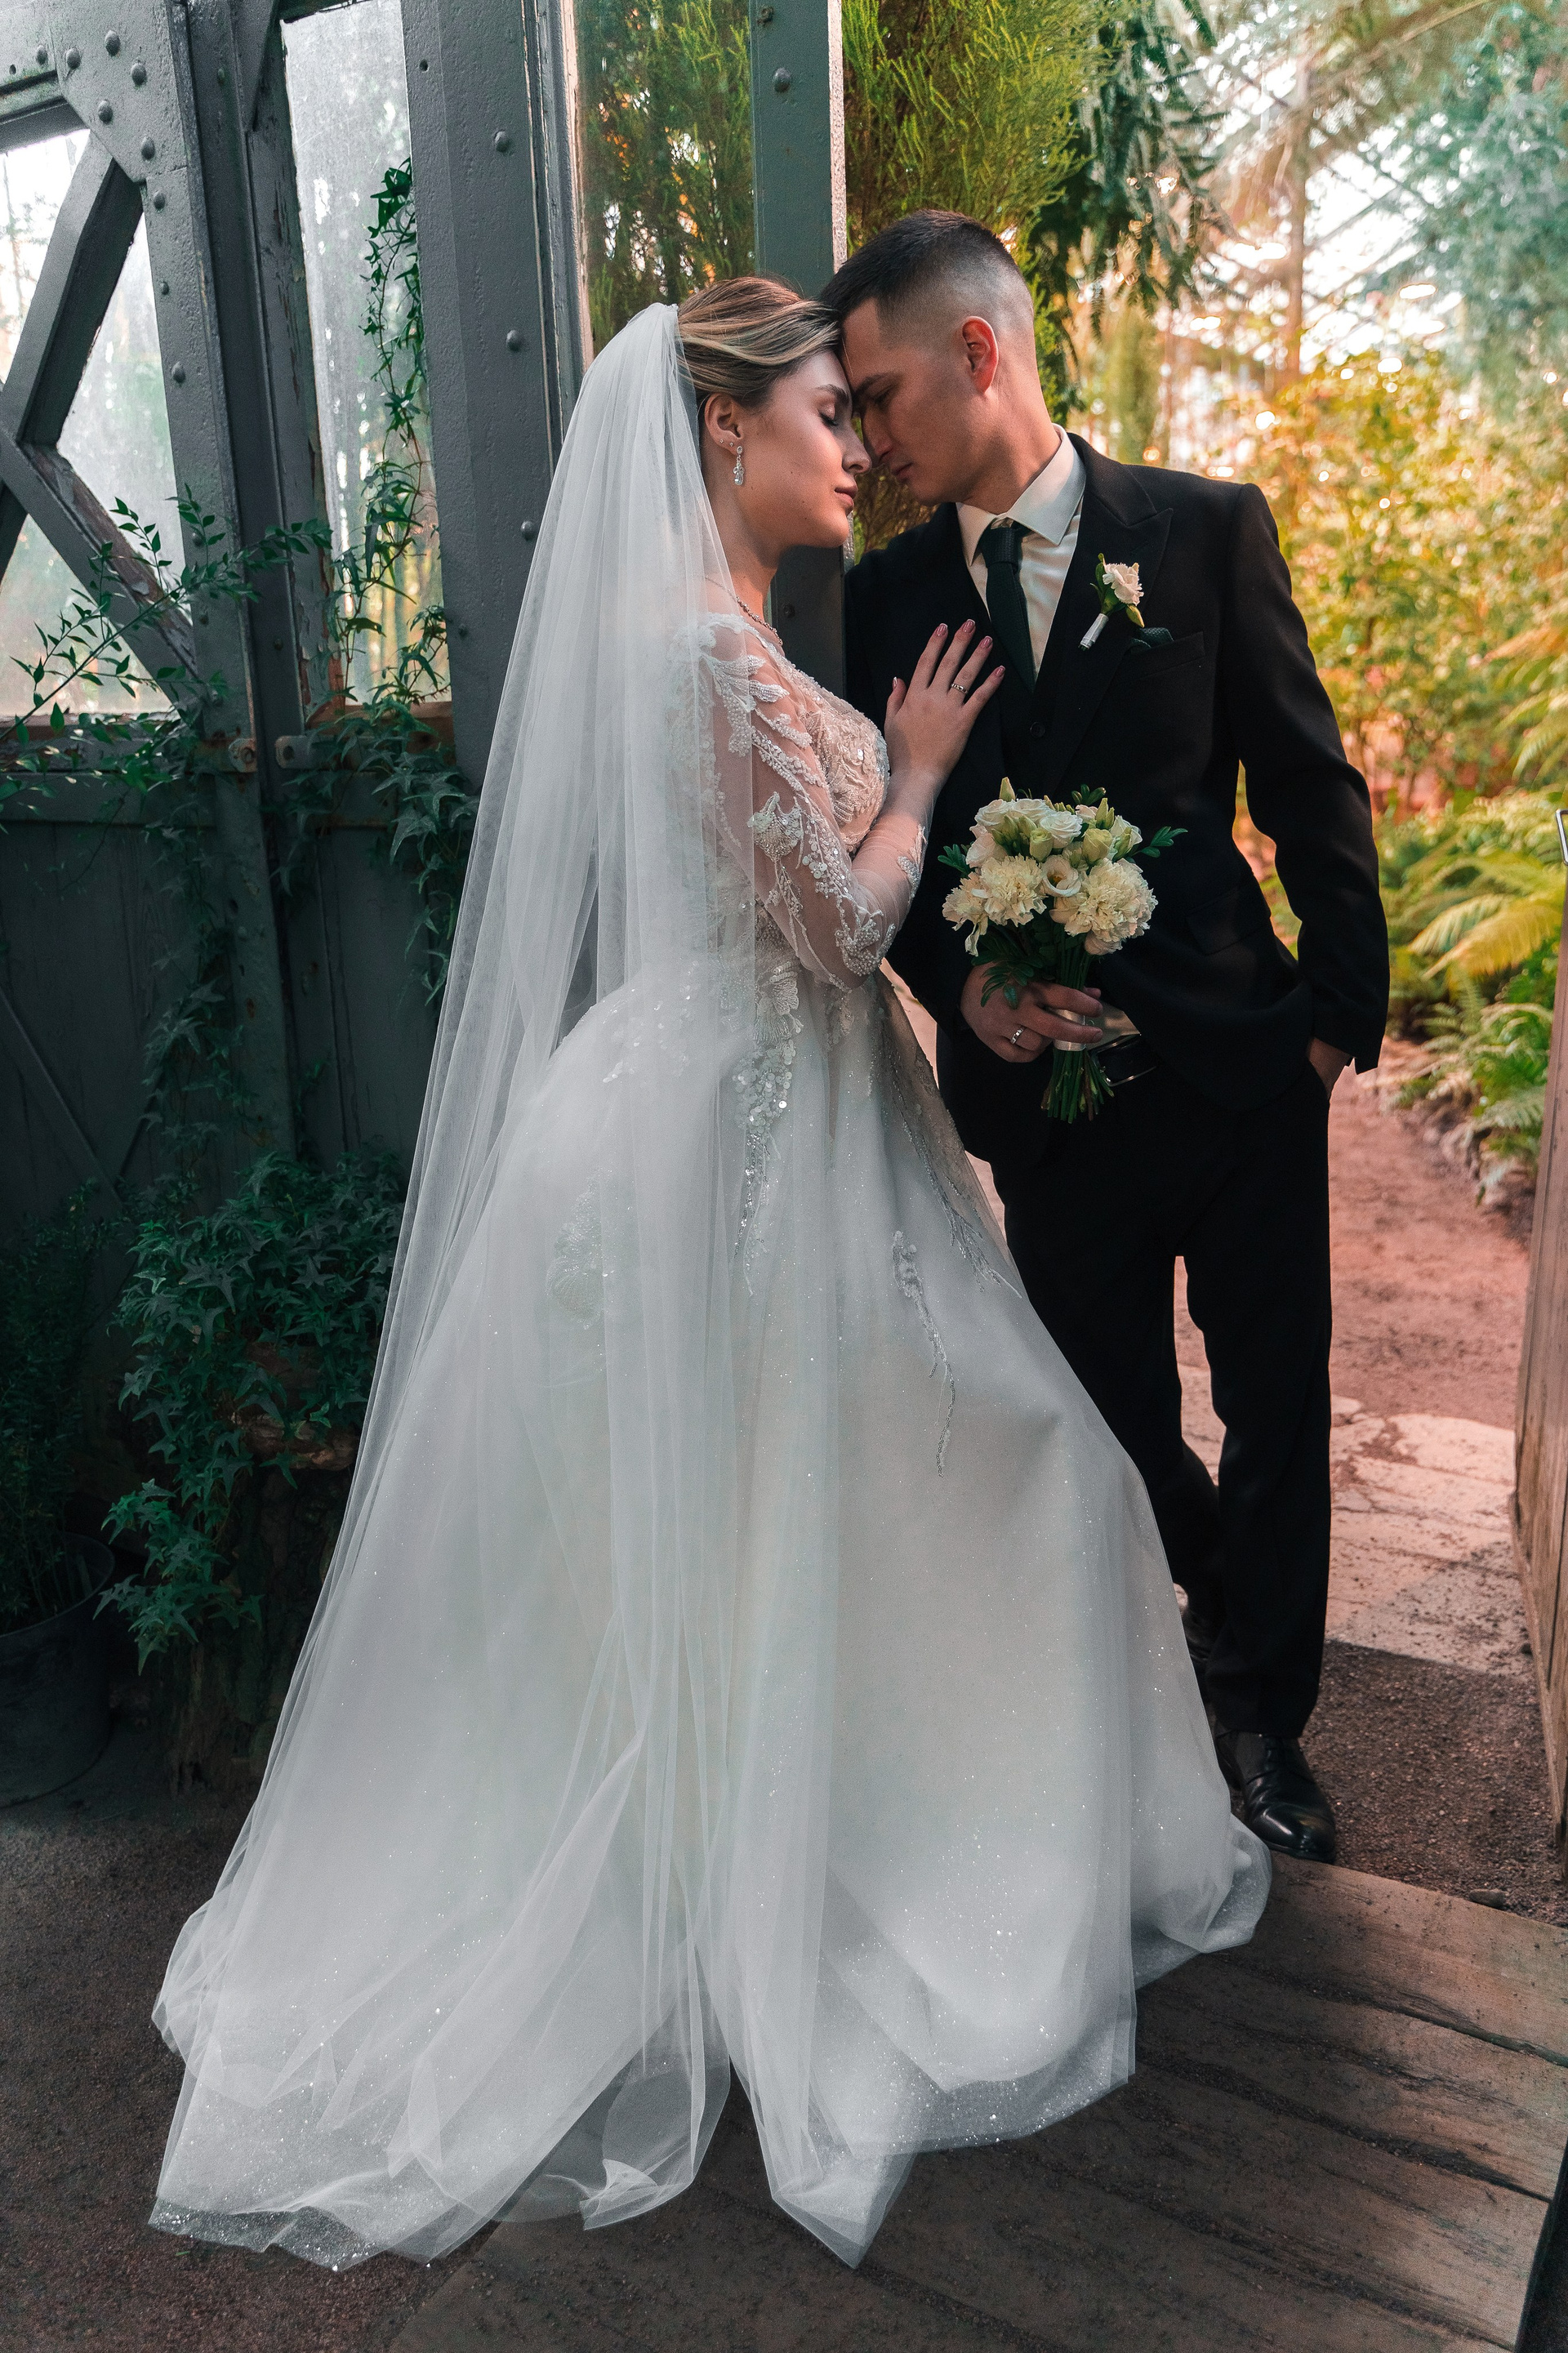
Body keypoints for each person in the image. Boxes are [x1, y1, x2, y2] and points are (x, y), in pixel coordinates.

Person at [148, 281, 1267, 2276]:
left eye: (858, 411)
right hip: (744, 1138)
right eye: (827, 413)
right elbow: (838, 929)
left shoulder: (725, 640)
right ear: (725, 429)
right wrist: (916, 774)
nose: (855, 451)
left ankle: (833, 1836)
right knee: (936, 1484)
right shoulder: (704, 656)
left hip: (764, 1119)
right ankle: (805, 1886)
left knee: (834, 1511)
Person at [829, 212, 1390, 1864]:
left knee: (1276, 1404)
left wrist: (1334, 1027)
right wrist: (964, 989)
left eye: (881, 394)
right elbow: (881, 840)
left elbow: (1311, 784)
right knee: (1110, 1415)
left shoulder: (1204, 532)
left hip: (1240, 1068)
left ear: (978, 353)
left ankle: (1264, 1722)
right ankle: (1203, 1619)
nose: (870, 438)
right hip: (1047, 1111)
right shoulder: (883, 602)